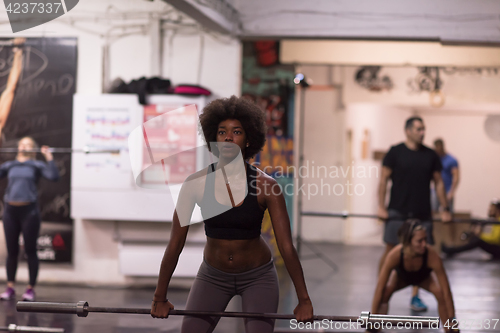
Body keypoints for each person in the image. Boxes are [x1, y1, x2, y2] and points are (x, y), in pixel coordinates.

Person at [150, 96, 314, 333]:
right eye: (221, 132)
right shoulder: (195, 184)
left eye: (236, 132)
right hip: (213, 276)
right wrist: (159, 296)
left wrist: (304, 299)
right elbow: (175, 243)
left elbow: (286, 247)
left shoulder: (267, 186)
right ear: (213, 139)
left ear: (248, 140)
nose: (228, 137)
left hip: (258, 277)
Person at [377, 116, 451, 312]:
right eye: (418, 129)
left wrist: (445, 209)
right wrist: (381, 207)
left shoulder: (430, 155)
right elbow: (383, 180)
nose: (422, 132)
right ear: (408, 130)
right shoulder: (395, 152)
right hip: (397, 211)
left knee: (420, 254)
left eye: (423, 129)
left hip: (422, 213)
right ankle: (381, 289)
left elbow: (439, 183)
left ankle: (415, 296)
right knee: (390, 251)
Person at [369, 220, 458, 333]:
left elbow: (446, 290)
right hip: (401, 278)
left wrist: (452, 319)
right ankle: (375, 329)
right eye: (419, 241)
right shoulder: (394, 255)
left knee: (440, 294)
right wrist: (372, 318)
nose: (424, 244)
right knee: (385, 294)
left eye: (425, 239)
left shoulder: (432, 256)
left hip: (423, 278)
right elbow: (380, 288)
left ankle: (449, 330)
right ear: (408, 242)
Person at [0, 137, 60, 301]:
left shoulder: (36, 165)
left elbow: (54, 176)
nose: (24, 146)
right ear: (18, 147)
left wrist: (48, 156)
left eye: (28, 144)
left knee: (30, 251)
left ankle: (30, 289)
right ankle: (10, 288)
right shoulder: (10, 165)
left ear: (33, 149)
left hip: (29, 212)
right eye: (22, 143)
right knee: (12, 252)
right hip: (10, 211)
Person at [432, 138, 459, 213]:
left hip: (447, 190)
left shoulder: (451, 160)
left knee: (448, 212)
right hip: (435, 191)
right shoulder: (435, 160)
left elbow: (456, 177)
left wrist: (452, 191)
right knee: (434, 212)